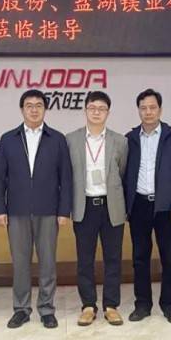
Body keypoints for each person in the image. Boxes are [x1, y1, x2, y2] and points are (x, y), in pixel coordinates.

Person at [0, 89, 72, 329]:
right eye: (29, 105)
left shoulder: (57, 139)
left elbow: (66, 178)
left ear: (45, 109)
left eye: (39, 105)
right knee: (20, 263)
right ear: (22, 109)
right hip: (16, 211)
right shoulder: (8, 139)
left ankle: (47, 309)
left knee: (47, 262)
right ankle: (21, 309)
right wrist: (0, 209)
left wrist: (64, 211)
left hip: (48, 211)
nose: (34, 109)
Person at [124, 89, 171, 324]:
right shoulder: (130, 138)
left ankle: (169, 305)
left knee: (168, 258)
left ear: (160, 110)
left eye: (152, 107)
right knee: (140, 257)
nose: (148, 112)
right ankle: (142, 304)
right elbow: (123, 174)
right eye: (143, 108)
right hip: (139, 205)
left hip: (166, 207)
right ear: (138, 110)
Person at [66, 91, 128, 326]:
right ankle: (88, 305)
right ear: (85, 110)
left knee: (113, 258)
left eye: (101, 109)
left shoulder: (120, 141)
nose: (96, 112)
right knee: (85, 259)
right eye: (92, 108)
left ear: (108, 113)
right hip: (84, 207)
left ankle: (111, 305)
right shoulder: (71, 140)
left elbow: (122, 171)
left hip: (111, 206)